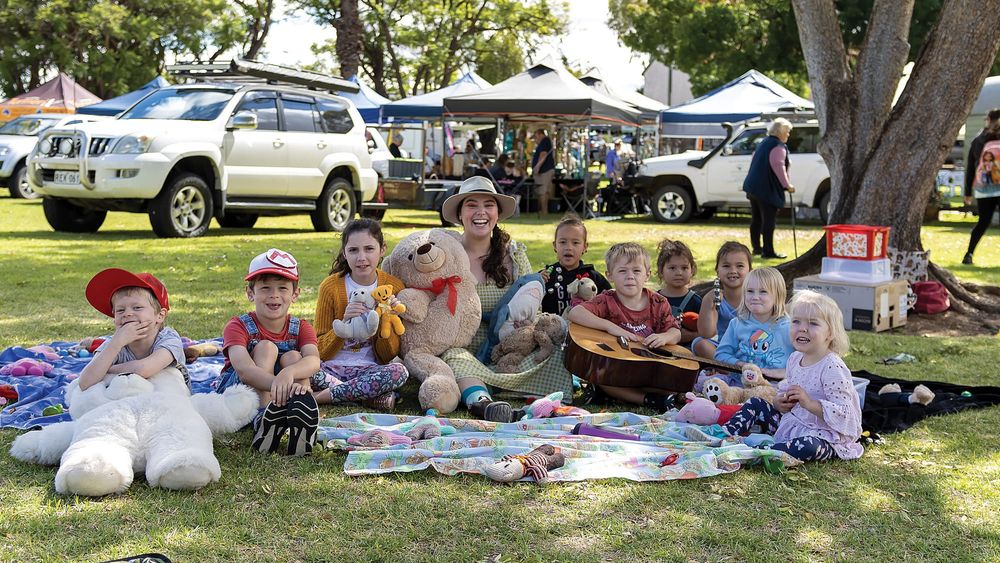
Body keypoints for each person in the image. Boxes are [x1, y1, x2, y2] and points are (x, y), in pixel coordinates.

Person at [439, 176, 574, 422]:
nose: (481, 212)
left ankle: (512, 388)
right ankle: (483, 402)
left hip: (511, 349)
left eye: (488, 205)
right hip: (465, 349)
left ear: (497, 213)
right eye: (471, 205)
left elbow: (532, 304)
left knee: (557, 350)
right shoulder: (445, 254)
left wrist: (528, 325)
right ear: (460, 214)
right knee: (454, 360)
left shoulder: (514, 254)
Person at [687, 290, 863, 464]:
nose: (802, 328)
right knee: (756, 403)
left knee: (808, 446)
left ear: (830, 333)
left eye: (813, 324)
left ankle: (758, 453)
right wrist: (780, 402)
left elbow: (845, 415)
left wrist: (809, 404)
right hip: (795, 422)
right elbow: (786, 390)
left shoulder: (832, 366)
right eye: (796, 322)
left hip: (826, 435)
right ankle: (725, 434)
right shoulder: (795, 358)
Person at [216, 249, 321, 456]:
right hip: (241, 394)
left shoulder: (301, 327)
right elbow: (244, 370)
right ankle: (263, 418)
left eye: (282, 288)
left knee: (294, 359)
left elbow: (314, 360)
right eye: (265, 288)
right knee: (266, 347)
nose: (274, 295)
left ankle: (302, 419)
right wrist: (279, 385)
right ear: (250, 293)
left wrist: (288, 374)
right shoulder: (237, 325)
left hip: (283, 391)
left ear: (295, 295)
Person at [567, 242, 681, 409]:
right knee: (600, 377)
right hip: (615, 371)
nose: (630, 276)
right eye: (622, 271)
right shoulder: (606, 300)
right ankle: (648, 400)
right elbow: (575, 313)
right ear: (610, 275)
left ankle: (624, 395)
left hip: (646, 368)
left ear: (647, 275)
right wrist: (609, 326)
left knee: (673, 377)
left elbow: (675, 332)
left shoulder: (658, 302)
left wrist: (664, 337)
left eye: (636, 271)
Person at [312, 219, 409, 410]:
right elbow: (319, 349)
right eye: (353, 250)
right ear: (344, 253)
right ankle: (366, 396)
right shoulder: (331, 287)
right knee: (302, 369)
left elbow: (389, 354)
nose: (361, 257)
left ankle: (322, 397)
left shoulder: (393, 287)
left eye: (369, 249)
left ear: (382, 250)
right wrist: (343, 325)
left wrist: (382, 321)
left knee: (399, 372)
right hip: (330, 369)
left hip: (370, 369)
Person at [79, 269, 186, 391]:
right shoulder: (114, 343)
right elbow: (85, 382)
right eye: (120, 310)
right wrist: (116, 344)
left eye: (137, 307)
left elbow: (143, 369)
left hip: (168, 398)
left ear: (160, 315)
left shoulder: (169, 339)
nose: (127, 314)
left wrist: (107, 369)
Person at [714, 267, 794, 382]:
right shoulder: (737, 324)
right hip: (740, 384)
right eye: (750, 291)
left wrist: (785, 372)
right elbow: (720, 355)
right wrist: (740, 364)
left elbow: (805, 360)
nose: (755, 297)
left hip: (777, 386)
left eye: (763, 291)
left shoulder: (789, 327)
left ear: (777, 296)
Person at [743, 117, 795, 259]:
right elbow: (779, 166)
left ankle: (756, 249)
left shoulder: (763, 143)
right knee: (768, 221)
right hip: (766, 189)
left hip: (753, 187)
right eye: (788, 132)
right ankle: (768, 251)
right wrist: (787, 185)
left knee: (757, 219)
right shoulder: (778, 146)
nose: (788, 135)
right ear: (781, 132)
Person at [540, 215, 612, 315]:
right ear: (555, 245)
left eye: (575, 243)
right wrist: (537, 281)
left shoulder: (593, 277)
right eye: (563, 242)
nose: (568, 247)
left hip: (583, 329)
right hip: (550, 328)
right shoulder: (545, 275)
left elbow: (611, 303)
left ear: (585, 247)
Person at [694, 241, 753, 359]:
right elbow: (706, 333)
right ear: (717, 271)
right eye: (726, 266)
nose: (733, 270)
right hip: (722, 346)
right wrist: (710, 306)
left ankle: (730, 367)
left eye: (740, 266)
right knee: (700, 343)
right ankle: (729, 368)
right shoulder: (713, 298)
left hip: (750, 345)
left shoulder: (755, 297)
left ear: (750, 270)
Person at [963, 108, 1000, 265]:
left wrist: (967, 192)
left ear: (988, 120)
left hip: (984, 188)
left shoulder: (978, 140)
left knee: (983, 222)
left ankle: (969, 254)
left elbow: (971, 167)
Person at [655, 239, 702, 344]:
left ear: (692, 270)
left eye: (684, 268)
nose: (679, 273)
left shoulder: (696, 301)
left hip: (689, 353)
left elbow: (707, 332)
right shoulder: (653, 300)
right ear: (661, 271)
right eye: (672, 268)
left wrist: (691, 335)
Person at [531, 128, 555, 215]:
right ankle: (543, 211)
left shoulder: (544, 141)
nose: (535, 139)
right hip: (545, 170)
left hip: (544, 171)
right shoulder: (546, 141)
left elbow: (543, 155)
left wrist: (537, 167)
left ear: (540, 134)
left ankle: (544, 211)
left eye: (536, 137)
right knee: (544, 191)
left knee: (543, 191)